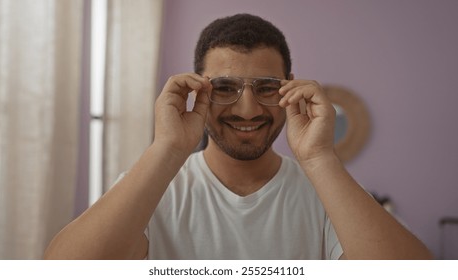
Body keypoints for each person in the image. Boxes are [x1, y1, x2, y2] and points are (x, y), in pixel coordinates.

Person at [44, 13, 432, 260]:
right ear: (197, 90)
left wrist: (319, 159)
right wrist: (168, 147)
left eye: (266, 87)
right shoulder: (154, 188)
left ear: (290, 90)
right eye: (225, 87)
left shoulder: (326, 191)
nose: (248, 110)